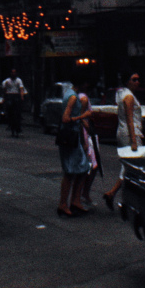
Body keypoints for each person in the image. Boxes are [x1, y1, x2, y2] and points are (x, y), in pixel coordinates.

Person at [56, 81, 99, 217]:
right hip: (70, 137)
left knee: (82, 168)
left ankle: (75, 201)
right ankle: (64, 204)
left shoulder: (69, 93)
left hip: (72, 137)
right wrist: (83, 116)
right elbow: (66, 118)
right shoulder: (74, 97)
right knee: (71, 171)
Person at [102, 73, 143, 212]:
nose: (137, 82)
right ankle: (115, 194)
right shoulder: (129, 97)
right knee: (132, 166)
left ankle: (116, 195)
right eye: (134, 79)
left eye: (138, 79)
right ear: (127, 81)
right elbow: (130, 119)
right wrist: (134, 141)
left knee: (128, 166)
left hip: (122, 132)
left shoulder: (121, 94)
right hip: (131, 133)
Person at [1, 68, 28, 137]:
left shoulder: (19, 80)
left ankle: (18, 126)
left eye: (14, 72)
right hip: (10, 96)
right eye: (12, 72)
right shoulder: (7, 81)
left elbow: (21, 89)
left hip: (16, 96)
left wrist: (22, 97)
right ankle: (10, 124)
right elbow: (4, 90)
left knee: (18, 112)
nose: (13, 74)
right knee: (10, 111)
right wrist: (4, 98)